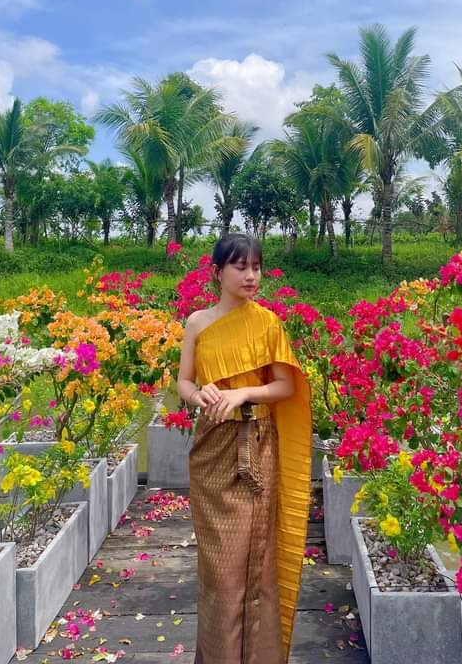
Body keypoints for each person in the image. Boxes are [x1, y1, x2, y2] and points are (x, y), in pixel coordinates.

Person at [177, 232, 312, 664]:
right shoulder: (198, 323)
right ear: (217, 272)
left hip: (255, 448)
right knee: (218, 570)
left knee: (254, 562)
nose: (251, 275)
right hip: (212, 451)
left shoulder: (267, 323)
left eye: (256, 266)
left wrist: (242, 395)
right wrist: (199, 397)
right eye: (240, 267)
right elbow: (183, 382)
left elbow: (285, 385)